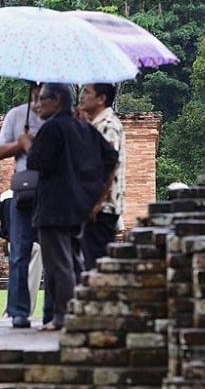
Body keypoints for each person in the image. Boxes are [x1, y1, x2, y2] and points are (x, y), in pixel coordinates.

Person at [23, 83, 118, 331]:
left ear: (56, 100)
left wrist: (27, 144)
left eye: (42, 98)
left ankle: (64, 315)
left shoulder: (53, 127)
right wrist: (93, 191)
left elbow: (36, 162)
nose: (37, 104)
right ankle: (77, 311)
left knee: (59, 264)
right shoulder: (83, 126)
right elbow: (110, 157)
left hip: (54, 206)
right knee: (75, 262)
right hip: (77, 207)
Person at [0, 81, 49, 328]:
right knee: (19, 252)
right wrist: (22, 143)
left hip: (54, 190)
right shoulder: (18, 115)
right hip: (25, 190)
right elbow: (0, 150)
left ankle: (54, 309)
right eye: (37, 87)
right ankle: (18, 311)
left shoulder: (61, 118)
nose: (41, 92)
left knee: (55, 253)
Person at [78, 83, 126, 270]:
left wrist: (97, 201)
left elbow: (109, 164)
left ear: (101, 99)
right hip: (95, 205)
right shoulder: (96, 125)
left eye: (88, 92)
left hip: (101, 208)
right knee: (92, 262)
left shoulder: (107, 126)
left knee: (97, 264)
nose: (83, 96)